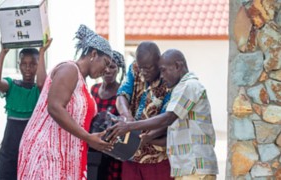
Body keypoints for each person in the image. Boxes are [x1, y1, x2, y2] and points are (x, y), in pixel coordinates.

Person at [17, 24, 113, 180]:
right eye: (106, 62)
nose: (107, 69)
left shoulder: (82, 82)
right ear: (94, 54)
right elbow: (54, 107)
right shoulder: (69, 69)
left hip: (63, 153)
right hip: (47, 152)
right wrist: (88, 137)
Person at [107, 49, 219, 180]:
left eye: (164, 70)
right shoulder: (181, 88)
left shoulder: (189, 85)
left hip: (195, 168)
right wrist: (144, 139)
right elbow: (172, 133)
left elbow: (168, 118)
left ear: (177, 66)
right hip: (188, 168)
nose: (161, 75)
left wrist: (129, 126)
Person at [0, 39, 51, 180]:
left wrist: (42, 53)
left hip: (32, 152)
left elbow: (42, 82)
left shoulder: (39, 90)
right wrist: (3, 53)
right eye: (24, 64)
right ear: (19, 65)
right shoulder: (12, 86)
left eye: (33, 64)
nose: (28, 68)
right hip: (9, 151)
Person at [114, 41, 172, 180]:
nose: (144, 72)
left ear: (158, 61)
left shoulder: (170, 78)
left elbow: (167, 120)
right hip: (130, 156)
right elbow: (122, 95)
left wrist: (144, 137)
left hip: (156, 158)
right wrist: (127, 116)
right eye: (141, 68)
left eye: (148, 68)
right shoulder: (134, 68)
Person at [88, 50, 126, 180]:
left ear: (118, 69)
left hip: (113, 151)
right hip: (93, 147)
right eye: (107, 65)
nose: (108, 70)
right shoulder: (93, 89)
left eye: (113, 67)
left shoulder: (122, 94)